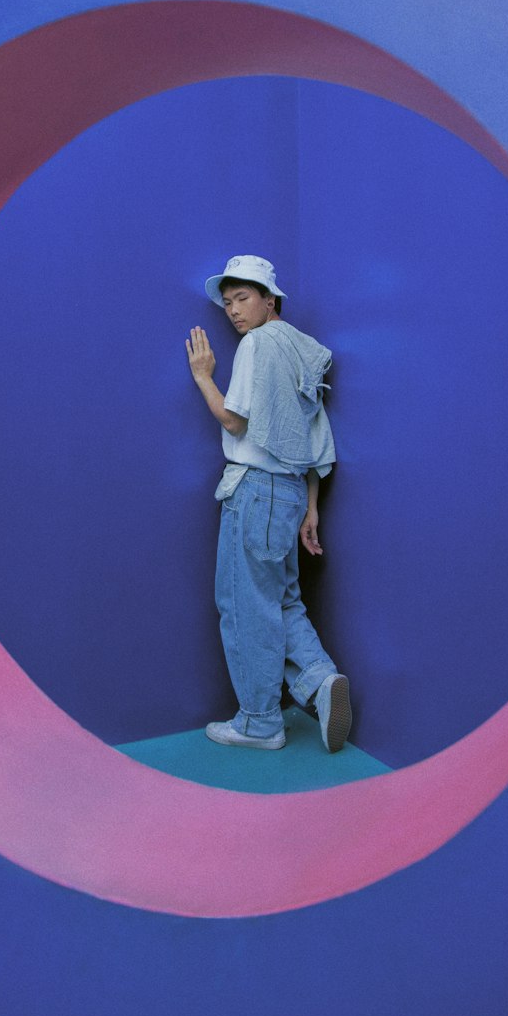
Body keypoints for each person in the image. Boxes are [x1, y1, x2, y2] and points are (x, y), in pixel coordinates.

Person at [186, 254, 351, 753]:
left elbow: (236, 422)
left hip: (255, 489)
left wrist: (203, 376)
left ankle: (260, 721)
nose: (234, 312)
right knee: (281, 600)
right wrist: (311, 506)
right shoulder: (306, 349)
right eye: (229, 302)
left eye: (244, 298)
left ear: (269, 300)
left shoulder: (257, 344)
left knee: (243, 605)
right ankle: (321, 680)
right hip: (290, 493)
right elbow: (317, 439)